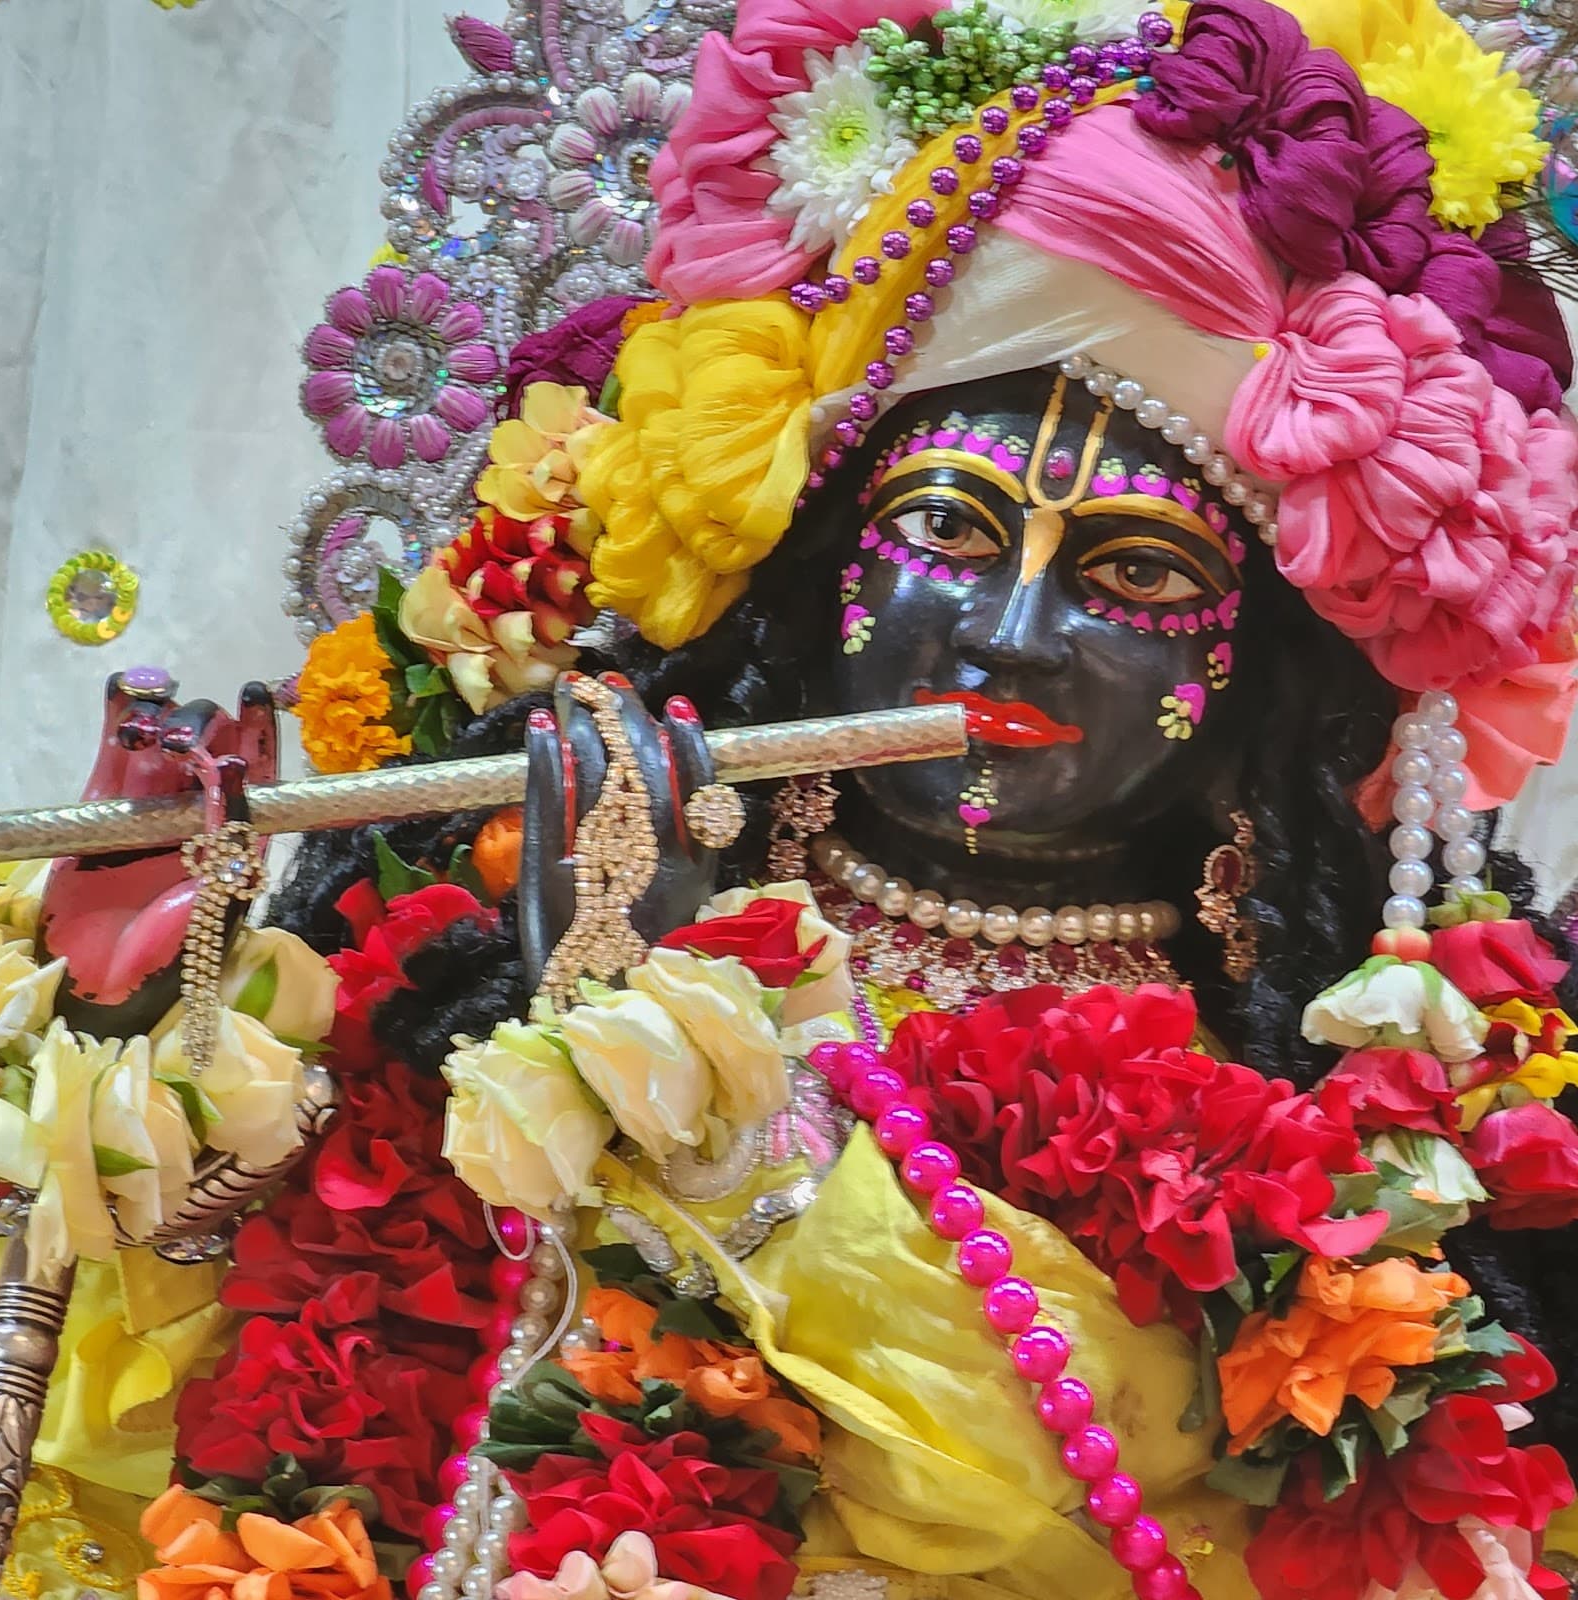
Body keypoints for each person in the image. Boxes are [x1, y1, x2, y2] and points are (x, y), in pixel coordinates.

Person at [257, 2, 1578, 1599]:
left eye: (1135, 573)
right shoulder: (503, 883)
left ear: (1254, 677)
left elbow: (1045, 1494)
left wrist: (686, 1054)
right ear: (821, 575)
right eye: (948, 532)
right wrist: (154, 1005)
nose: (1013, 635)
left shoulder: (1373, 1059)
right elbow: (274, 1371)